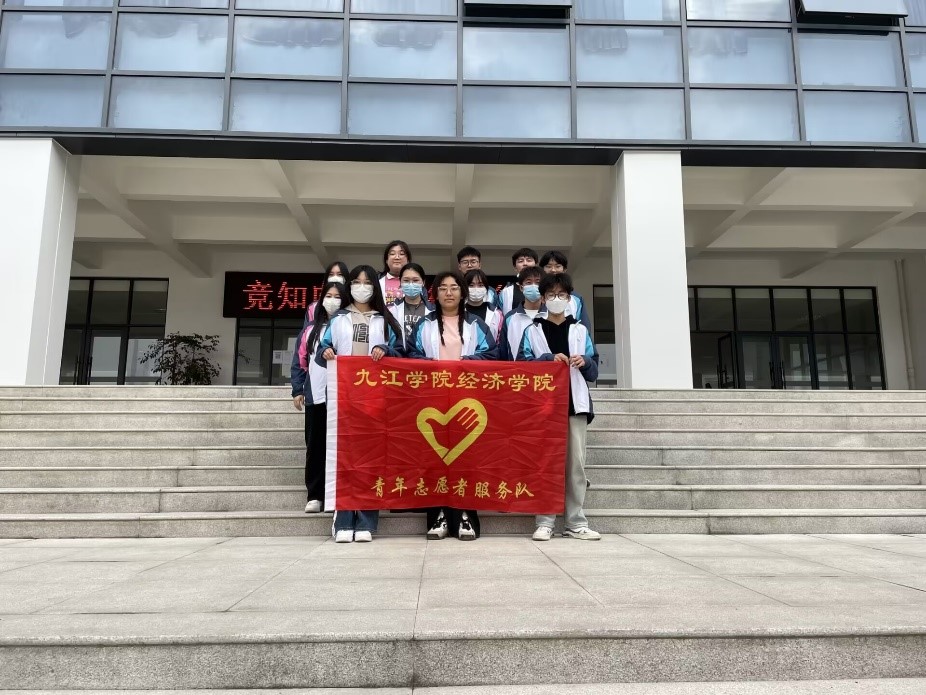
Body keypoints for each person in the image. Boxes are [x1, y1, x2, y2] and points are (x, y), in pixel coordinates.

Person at [407, 270, 498, 540]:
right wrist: (432, 366)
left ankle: (465, 516)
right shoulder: (424, 324)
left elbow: (492, 354)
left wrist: (466, 363)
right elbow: (411, 355)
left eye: (454, 287)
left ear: (462, 293)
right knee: (434, 459)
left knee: (467, 459)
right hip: (432, 401)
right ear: (435, 293)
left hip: (467, 401)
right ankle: (439, 516)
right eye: (443, 288)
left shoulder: (476, 324)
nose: (449, 292)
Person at [317, 264, 403, 543]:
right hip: (343, 397)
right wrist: (326, 351)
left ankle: (366, 519)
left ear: (374, 287)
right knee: (344, 458)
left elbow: (401, 352)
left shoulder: (385, 320)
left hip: (376, 400)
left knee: (371, 460)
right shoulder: (338, 318)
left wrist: (385, 349)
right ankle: (343, 518)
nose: (361, 287)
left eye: (367, 282)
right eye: (356, 281)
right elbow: (321, 349)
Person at [518, 272, 601, 542]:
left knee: (576, 466)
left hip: (575, 405)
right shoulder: (532, 331)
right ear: (543, 299)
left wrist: (585, 362)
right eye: (551, 295)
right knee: (545, 464)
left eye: (562, 295)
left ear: (569, 299)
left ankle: (575, 521)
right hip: (544, 408)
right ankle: (545, 521)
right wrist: (546, 359)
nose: (557, 299)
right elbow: (522, 367)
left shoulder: (580, 330)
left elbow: (594, 370)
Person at [291, 280, 349, 513]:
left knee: (340, 447)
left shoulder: (349, 325)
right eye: (328, 296)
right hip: (316, 396)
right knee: (315, 446)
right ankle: (315, 495)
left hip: (343, 397)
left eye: (338, 296)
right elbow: (299, 361)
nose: (332, 301)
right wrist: (298, 389)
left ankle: (337, 495)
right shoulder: (310, 330)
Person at [498, 266, 545, 361]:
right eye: (528, 282)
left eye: (538, 282)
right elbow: (503, 351)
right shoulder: (510, 317)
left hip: (547, 369)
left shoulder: (551, 315)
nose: (533, 286)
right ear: (521, 287)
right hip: (517, 369)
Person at [539, 250, 592, 332]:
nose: (553, 270)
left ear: (564, 270)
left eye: (557, 266)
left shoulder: (576, 298)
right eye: (548, 266)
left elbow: (584, 326)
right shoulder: (534, 295)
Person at [389, 262, 433, 352]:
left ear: (423, 282)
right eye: (406, 280)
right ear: (400, 282)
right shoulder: (392, 311)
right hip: (399, 357)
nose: (411, 284)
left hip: (424, 358)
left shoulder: (433, 311)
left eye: (415, 280)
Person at [463, 268, 504, 343]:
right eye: (471, 285)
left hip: (490, 350)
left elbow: (500, 342)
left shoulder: (497, 314)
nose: (476, 289)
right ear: (464, 288)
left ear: (486, 288)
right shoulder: (456, 312)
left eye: (480, 285)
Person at [304, 261, 349, 327]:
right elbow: (307, 330)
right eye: (331, 274)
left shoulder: (353, 306)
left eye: (340, 274)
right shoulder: (313, 308)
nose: (335, 278)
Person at [498, 247, 538, 314]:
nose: (525, 264)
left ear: (536, 264)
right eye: (520, 261)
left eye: (529, 260)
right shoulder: (507, 292)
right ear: (515, 267)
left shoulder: (544, 287)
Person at [380, 240, 412, 305]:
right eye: (392, 254)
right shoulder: (378, 283)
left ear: (408, 260)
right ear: (386, 260)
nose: (397, 257)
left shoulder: (416, 284)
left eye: (401, 254)